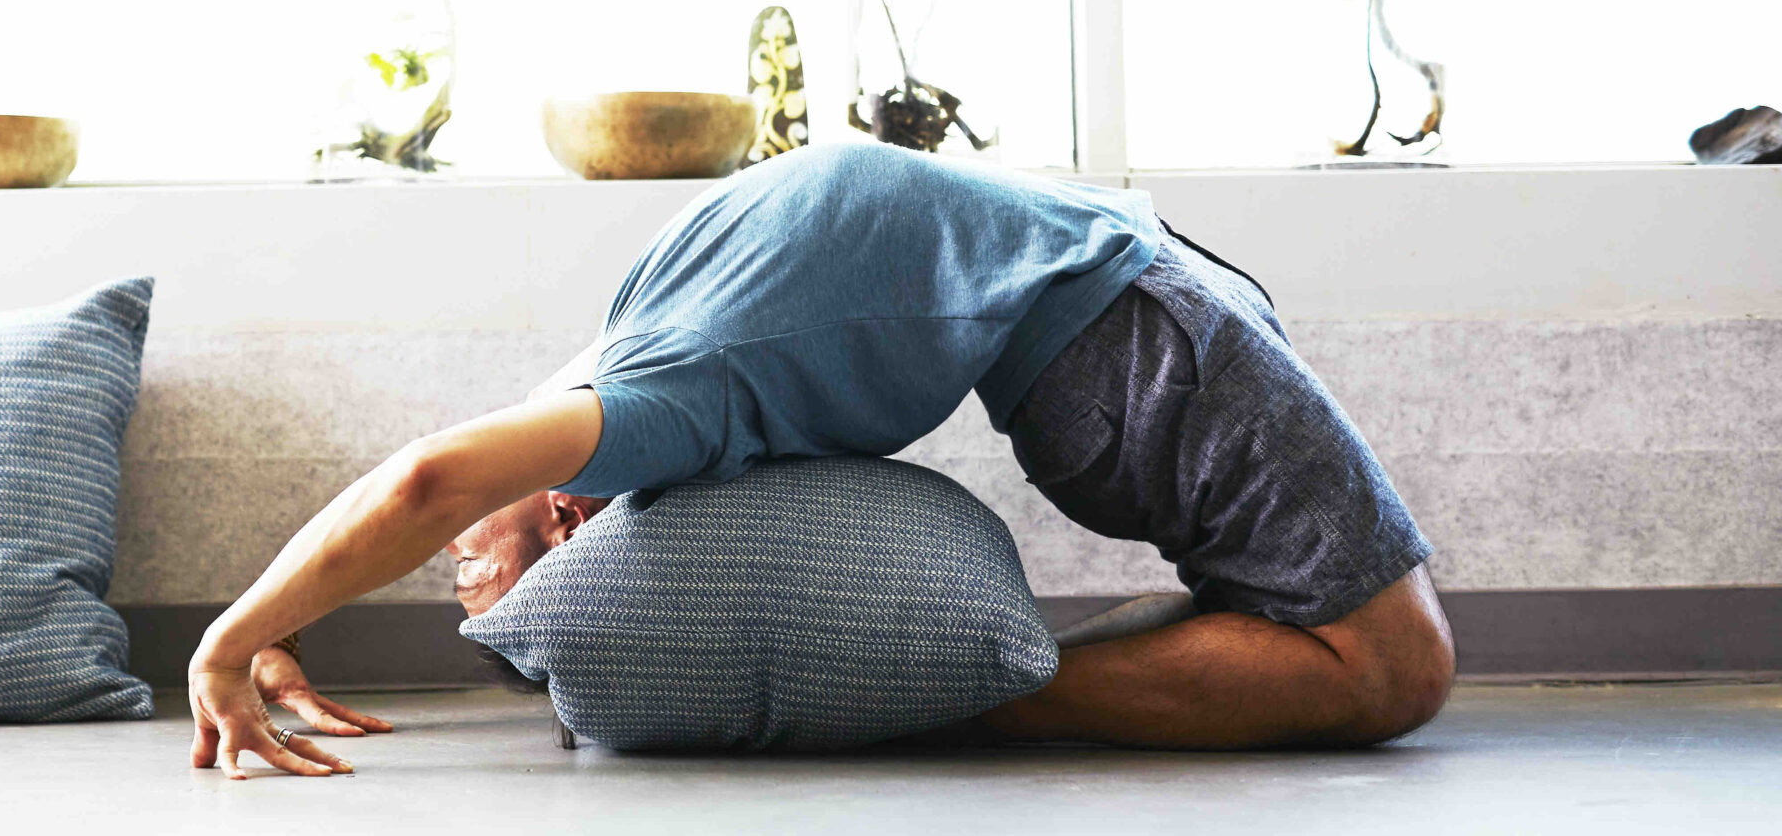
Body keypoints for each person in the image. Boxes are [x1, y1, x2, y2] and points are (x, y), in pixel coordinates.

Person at [187, 143, 1453, 779]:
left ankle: (986, 699)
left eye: (467, 574)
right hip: (1122, 322)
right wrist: (279, 617)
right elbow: (437, 486)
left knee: (1378, 666)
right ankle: (983, 696)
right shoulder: (638, 353)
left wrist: (232, 636)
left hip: (1128, 327)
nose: (455, 567)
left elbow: (424, 482)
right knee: (1381, 662)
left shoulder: (654, 390)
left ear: (567, 515)